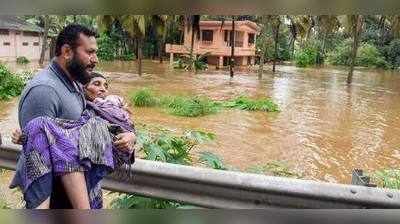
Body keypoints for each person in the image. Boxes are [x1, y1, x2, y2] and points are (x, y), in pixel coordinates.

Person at [10, 24, 136, 209]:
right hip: (58, 200)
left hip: (79, 194)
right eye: (90, 52)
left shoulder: (76, 84)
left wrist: (128, 136)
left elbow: (89, 130)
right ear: (67, 51)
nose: (96, 59)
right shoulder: (44, 91)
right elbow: (36, 157)